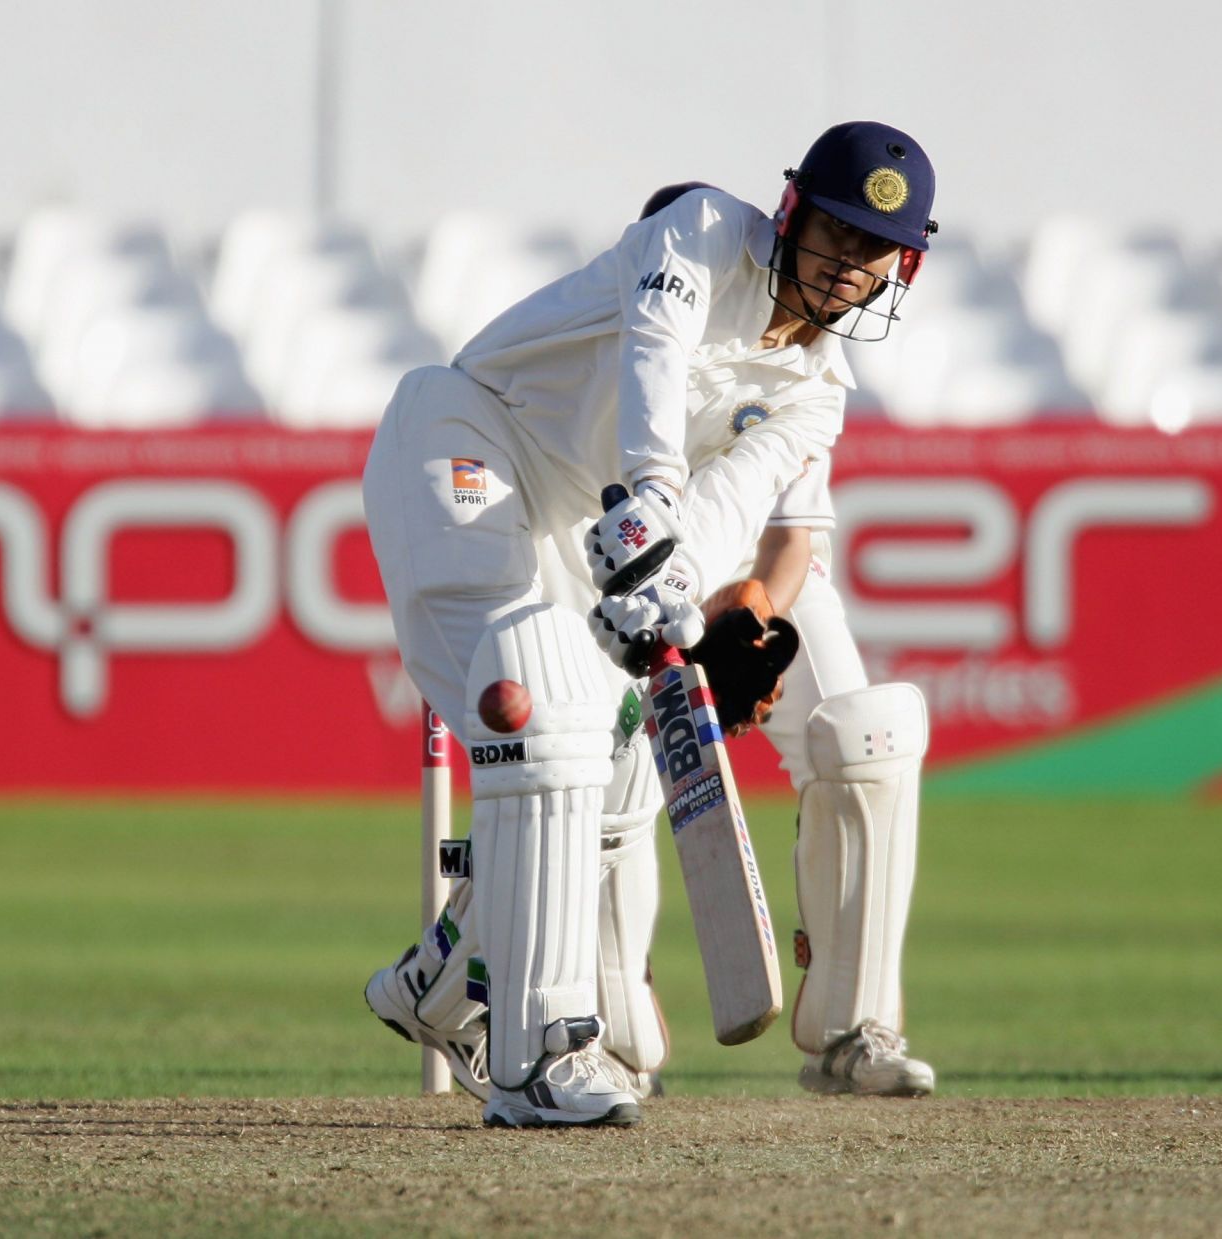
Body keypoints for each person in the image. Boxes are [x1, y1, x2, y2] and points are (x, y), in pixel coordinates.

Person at [362, 121, 938, 1127]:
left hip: (589, 526)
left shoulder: (819, 399)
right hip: (474, 439)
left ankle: (442, 984)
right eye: (835, 235)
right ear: (794, 214)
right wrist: (652, 506)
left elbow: (734, 511)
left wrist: (678, 593)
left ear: (904, 266)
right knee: (546, 715)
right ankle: (539, 1056)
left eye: (871, 251)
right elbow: (654, 362)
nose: (848, 266)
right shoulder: (705, 230)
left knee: (610, 758)